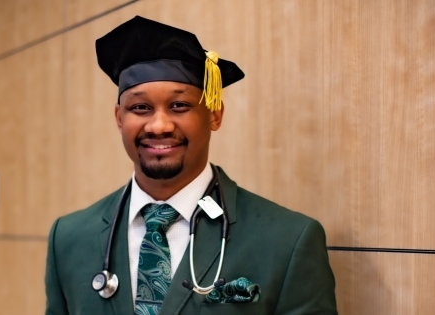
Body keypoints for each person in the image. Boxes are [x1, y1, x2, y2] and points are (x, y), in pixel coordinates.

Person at [45, 16, 337, 315]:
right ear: (120, 118)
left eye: (179, 106)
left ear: (214, 115)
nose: (158, 126)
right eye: (140, 108)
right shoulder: (69, 238)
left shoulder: (287, 241)